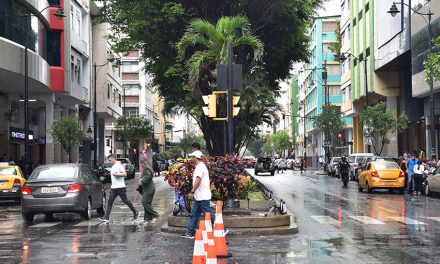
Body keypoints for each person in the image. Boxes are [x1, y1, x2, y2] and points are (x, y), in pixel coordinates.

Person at [180, 150, 212, 239]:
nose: (191, 158)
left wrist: (192, 191)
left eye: (192, 157)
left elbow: (198, 179)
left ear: (195, 158)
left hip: (202, 196)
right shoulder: (200, 166)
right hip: (199, 196)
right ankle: (190, 233)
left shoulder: (200, 167)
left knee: (208, 214)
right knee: (194, 214)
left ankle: (222, 229)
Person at [100, 154, 139, 222]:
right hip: (114, 187)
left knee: (125, 200)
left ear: (113, 159)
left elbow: (125, 174)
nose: (109, 162)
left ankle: (135, 212)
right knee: (110, 201)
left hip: (120, 187)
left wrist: (116, 174)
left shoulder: (119, 165)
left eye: (110, 160)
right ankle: (106, 217)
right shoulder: (114, 166)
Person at [138, 157, 159, 224]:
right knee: (147, 203)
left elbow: (148, 176)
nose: (140, 165)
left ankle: (155, 215)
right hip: (147, 188)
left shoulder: (147, 169)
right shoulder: (147, 169)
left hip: (149, 189)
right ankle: (147, 219)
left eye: (141, 163)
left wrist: (141, 179)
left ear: (143, 163)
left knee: (144, 202)